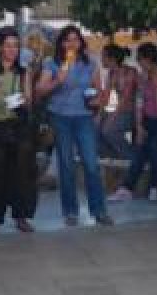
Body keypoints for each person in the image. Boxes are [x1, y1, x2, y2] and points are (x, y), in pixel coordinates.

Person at [35, 25, 113, 226]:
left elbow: (99, 90)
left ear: (81, 42)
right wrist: (57, 81)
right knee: (66, 164)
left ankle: (99, 210)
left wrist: (98, 101)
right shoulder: (52, 63)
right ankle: (70, 211)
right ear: (61, 43)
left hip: (84, 117)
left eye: (75, 40)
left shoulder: (90, 63)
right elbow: (40, 90)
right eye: (68, 40)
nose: (72, 44)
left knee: (91, 164)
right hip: (61, 117)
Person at [0, 26, 38, 234]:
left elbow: (29, 99)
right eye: (8, 45)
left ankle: (22, 216)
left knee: (22, 174)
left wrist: (21, 100)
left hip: (17, 124)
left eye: (15, 46)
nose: (12, 50)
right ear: (0, 47)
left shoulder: (23, 70)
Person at [108, 43, 157, 204]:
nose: (139, 63)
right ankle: (126, 188)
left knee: (154, 145)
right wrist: (139, 125)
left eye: (140, 59)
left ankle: (155, 186)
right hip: (149, 119)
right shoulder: (142, 77)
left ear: (149, 59)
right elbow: (140, 102)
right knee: (141, 148)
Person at [97, 44, 139, 160]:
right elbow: (106, 96)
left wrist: (112, 118)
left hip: (133, 113)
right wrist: (99, 115)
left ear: (112, 59)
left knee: (108, 130)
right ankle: (111, 156)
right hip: (121, 111)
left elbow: (126, 98)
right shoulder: (111, 73)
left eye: (103, 56)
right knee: (93, 128)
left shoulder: (130, 72)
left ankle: (131, 158)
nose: (101, 59)